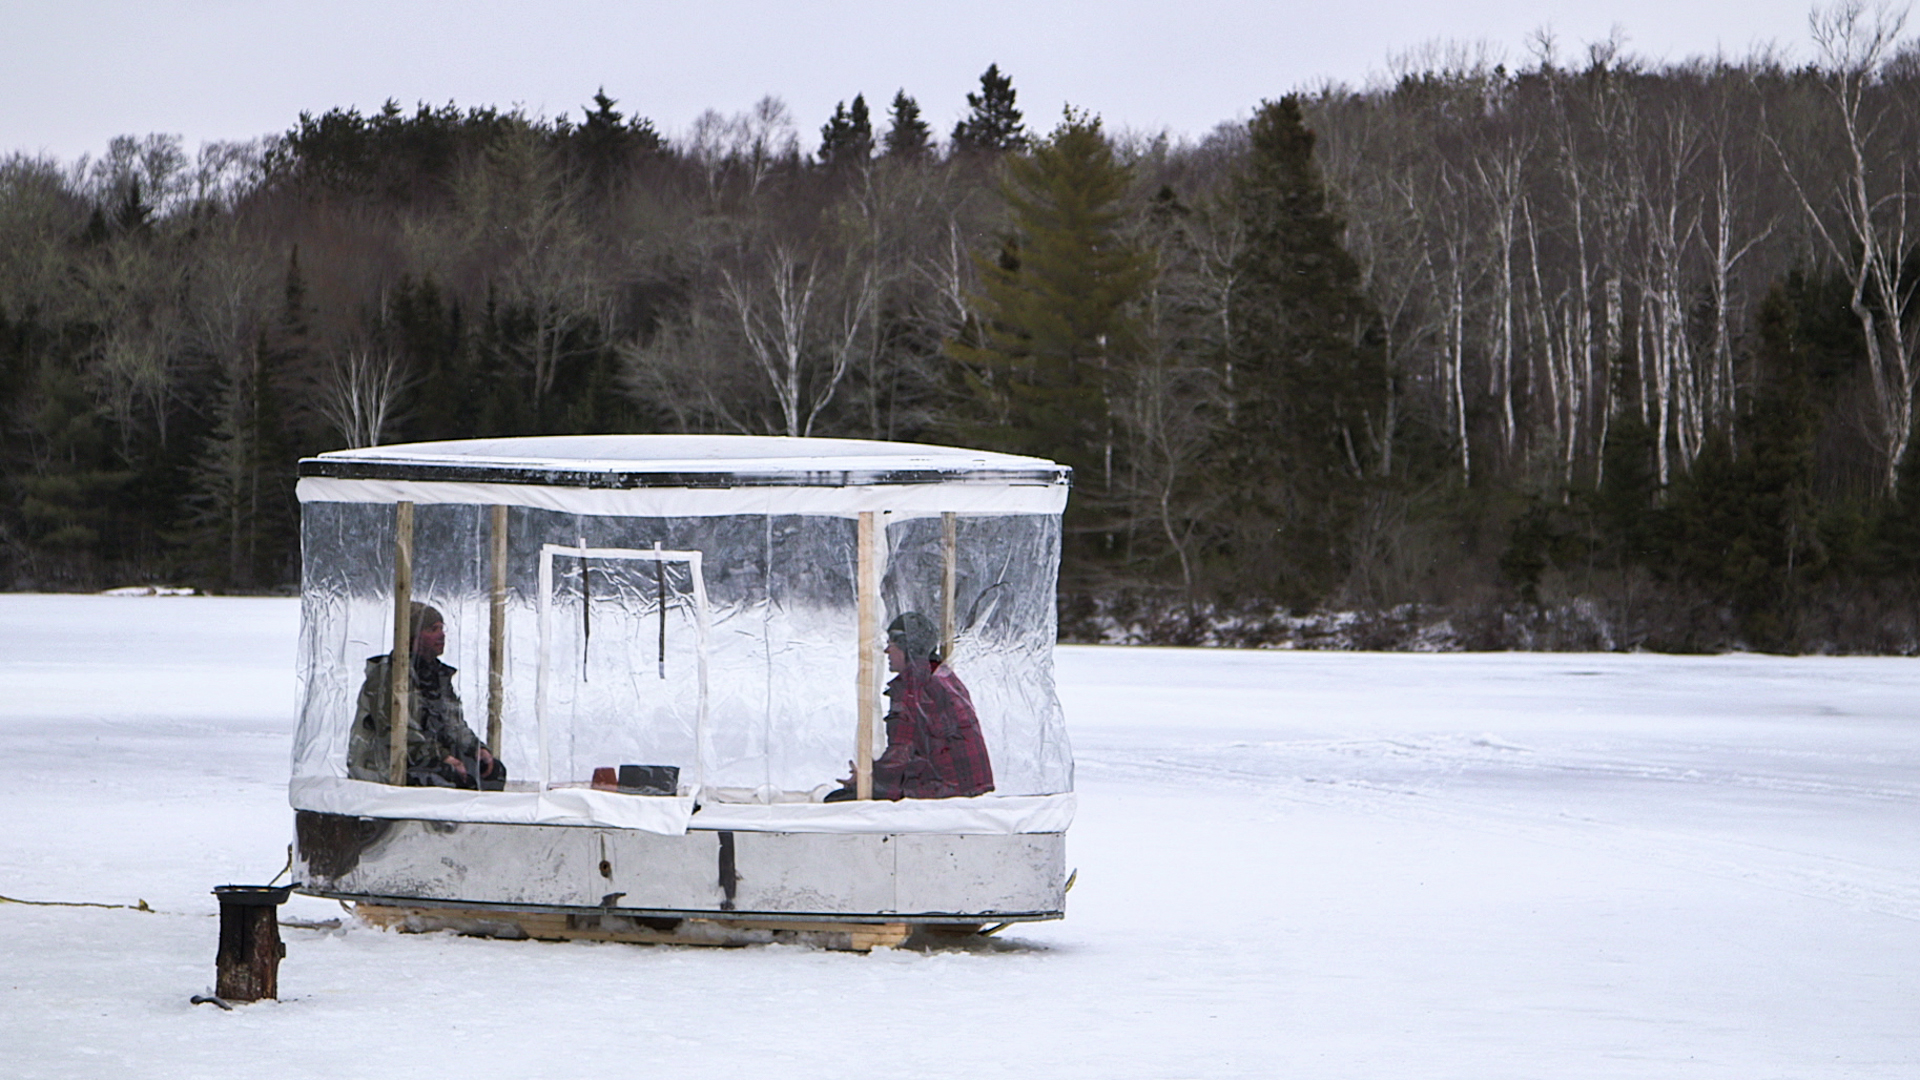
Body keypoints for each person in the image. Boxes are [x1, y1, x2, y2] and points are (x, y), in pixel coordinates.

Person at [829, 611, 993, 801]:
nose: (886, 650)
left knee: (837, 801)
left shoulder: (914, 685)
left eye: (891, 643)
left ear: (908, 647)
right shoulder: (941, 675)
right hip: (966, 789)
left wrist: (867, 779)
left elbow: (901, 754)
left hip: (944, 793)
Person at [348, 602, 505, 790]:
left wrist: (477, 749)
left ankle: (468, 817)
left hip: (426, 757)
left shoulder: (437, 675)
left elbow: (453, 724)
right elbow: (399, 733)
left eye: (442, 628)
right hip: (386, 764)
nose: (441, 635)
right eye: (432, 629)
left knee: (491, 771)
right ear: (413, 636)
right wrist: (444, 758)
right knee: (446, 777)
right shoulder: (389, 676)